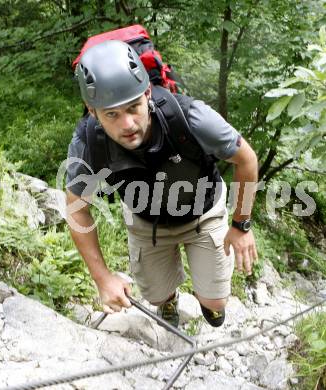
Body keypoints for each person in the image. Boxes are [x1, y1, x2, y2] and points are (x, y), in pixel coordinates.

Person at [65, 40, 258, 328]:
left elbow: (246, 159)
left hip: (203, 212)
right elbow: (77, 210)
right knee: (156, 296)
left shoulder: (189, 116)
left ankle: (209, 304)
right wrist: (103, 278)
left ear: (147, 93)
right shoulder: (88, 142)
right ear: (92, 111)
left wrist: (241, 225)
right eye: (112, 115)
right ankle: (168, 301)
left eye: (134, 108)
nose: (128, 124)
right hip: (147, 223)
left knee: (216, 305)